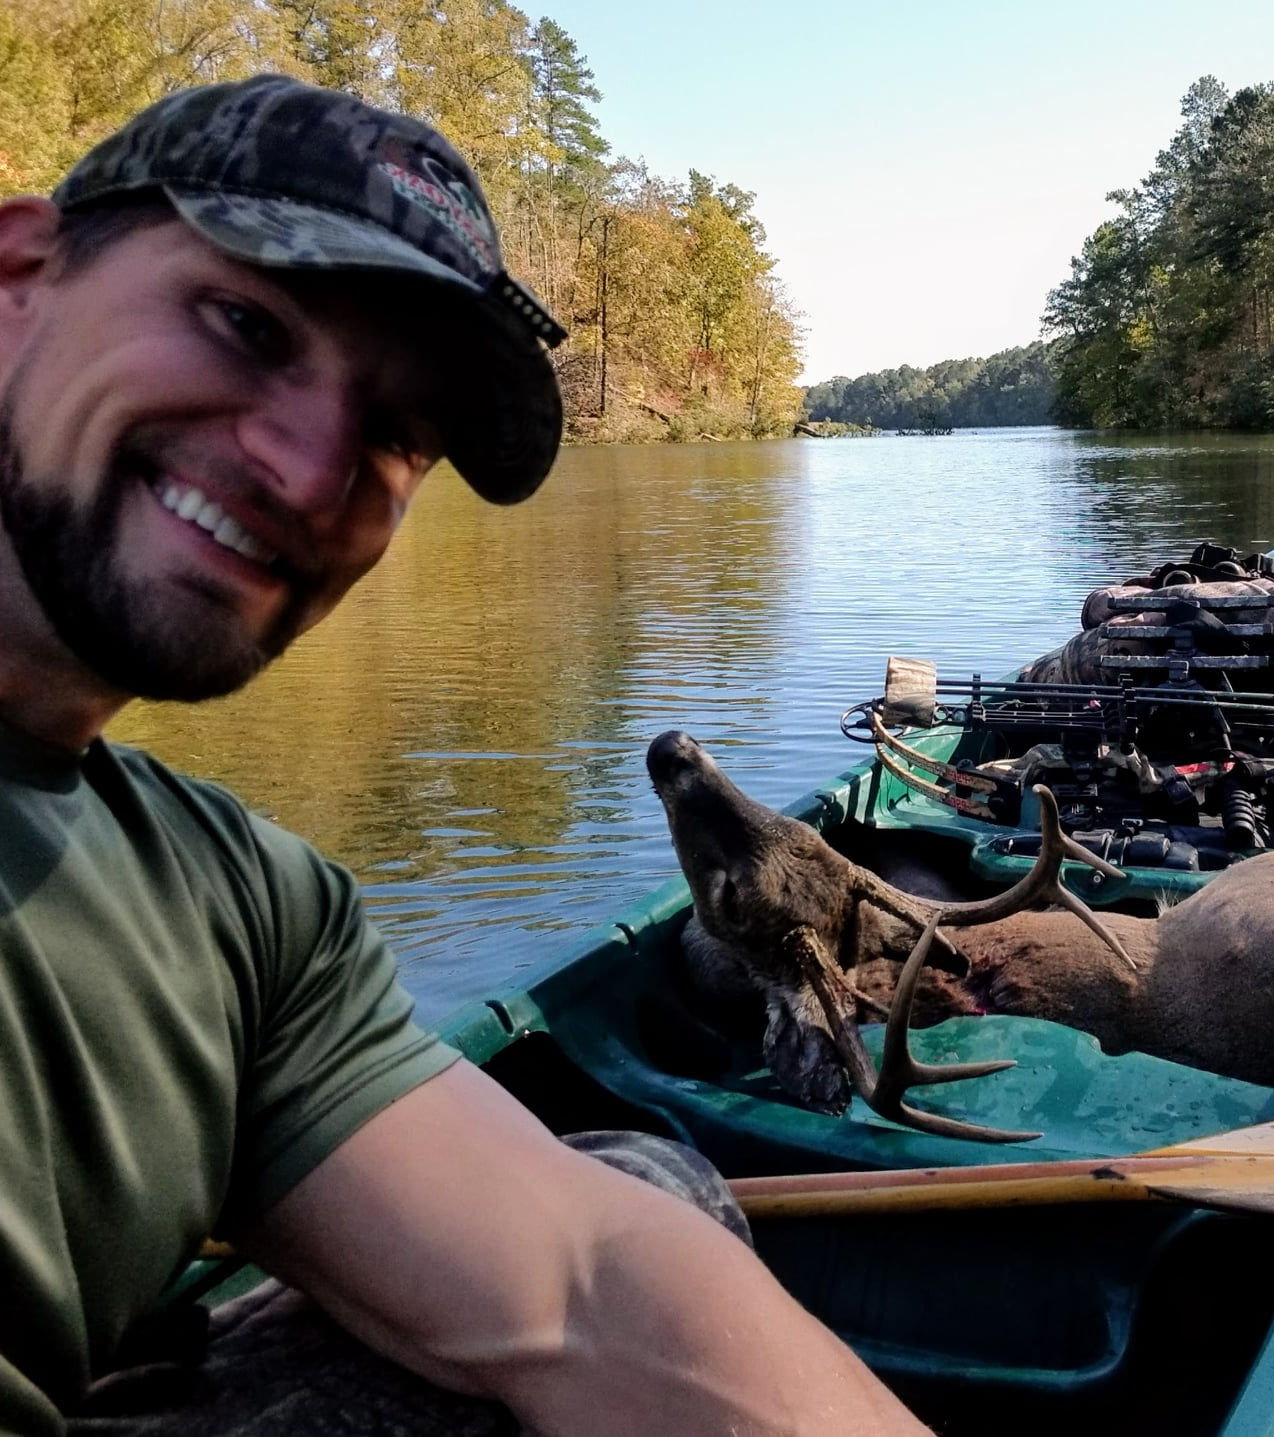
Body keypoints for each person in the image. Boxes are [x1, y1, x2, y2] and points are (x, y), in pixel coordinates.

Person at [0, 74, 931, 1437]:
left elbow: (588, 1277)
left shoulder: (245, 910)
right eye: (246, 324)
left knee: (642, 1193)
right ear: (19, 277)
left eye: (396, 435)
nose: (314, 469)